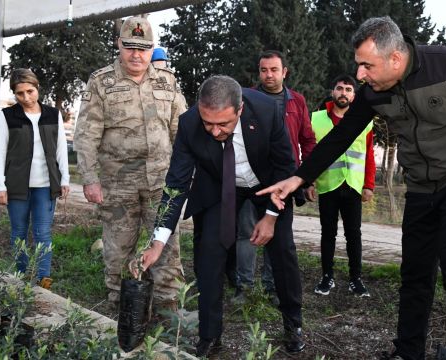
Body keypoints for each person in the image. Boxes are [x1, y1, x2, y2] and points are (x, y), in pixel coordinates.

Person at [257, 16, 446, 359]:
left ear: (395, 58)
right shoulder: (373, 92)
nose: (360, 74)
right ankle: (408, 351)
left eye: (366, 65)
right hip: (421, 185)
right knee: (415, 273)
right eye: (359, 65)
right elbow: (341, 137)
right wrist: (299, 177)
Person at [139, 75, 305, 356]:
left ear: (240, 110)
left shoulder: (266, 111)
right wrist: (158, 241)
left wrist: (270, 217)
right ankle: (209, 336)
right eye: (208, 123)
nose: (215, 132)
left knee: (282, 252)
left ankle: (293, 325)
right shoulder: (190, 123)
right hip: (220, 185)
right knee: (208, 257)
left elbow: (285, 167)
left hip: (270, 185)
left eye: (223, 124)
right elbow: (176, 184)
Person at [74, 16, 187, 311]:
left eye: (144, 48)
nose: (137, 55)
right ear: (118, 45)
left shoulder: (168, 81)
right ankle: (120, 308)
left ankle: (167, 310)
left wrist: (187, 176)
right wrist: (89, 178)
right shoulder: (101, 83)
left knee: (166, 246)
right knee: (117, 250)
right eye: (130, 47)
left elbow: (182, 132)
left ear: (153, 49)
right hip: (117, 185)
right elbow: (86, 135)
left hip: (161, 183)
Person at [233, 50, 316, 305]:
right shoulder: (246, 99)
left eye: (274, 70)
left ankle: (272, 287)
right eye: (264, 70)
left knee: (278, 234)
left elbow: (307, 140)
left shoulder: (297, 102)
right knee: (246, 232)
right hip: (252, 177)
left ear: (284, 72)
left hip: (284, 179)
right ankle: (244, 287)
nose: (268, 75)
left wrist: (307, 179)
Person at [0, 68, 70, 290]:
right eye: (20, 94)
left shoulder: (52, 114)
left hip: (45, 186)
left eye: (30, 91)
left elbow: (61, 150)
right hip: (17, 186)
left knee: (43, 232)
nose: (26, 97)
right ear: (14, 94)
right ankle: (20, 276)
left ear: (37, 88)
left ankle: (43, 280)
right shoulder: (6, 116)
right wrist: (0, 185)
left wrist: (65, 178)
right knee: (18, 232)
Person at [310, 74, 375, 298]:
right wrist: (308, 181)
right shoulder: (316, 119)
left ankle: (355, 279)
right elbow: (309, 152)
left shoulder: (364, 121)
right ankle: (327, 277)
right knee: (328, 233)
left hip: (354, 186)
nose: (343, 93)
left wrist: (369, 185)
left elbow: (369, 156)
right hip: (328, 185)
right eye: (340, 88)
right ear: (332, 92)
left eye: (348, 89)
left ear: (354, 96)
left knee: (353, 234)